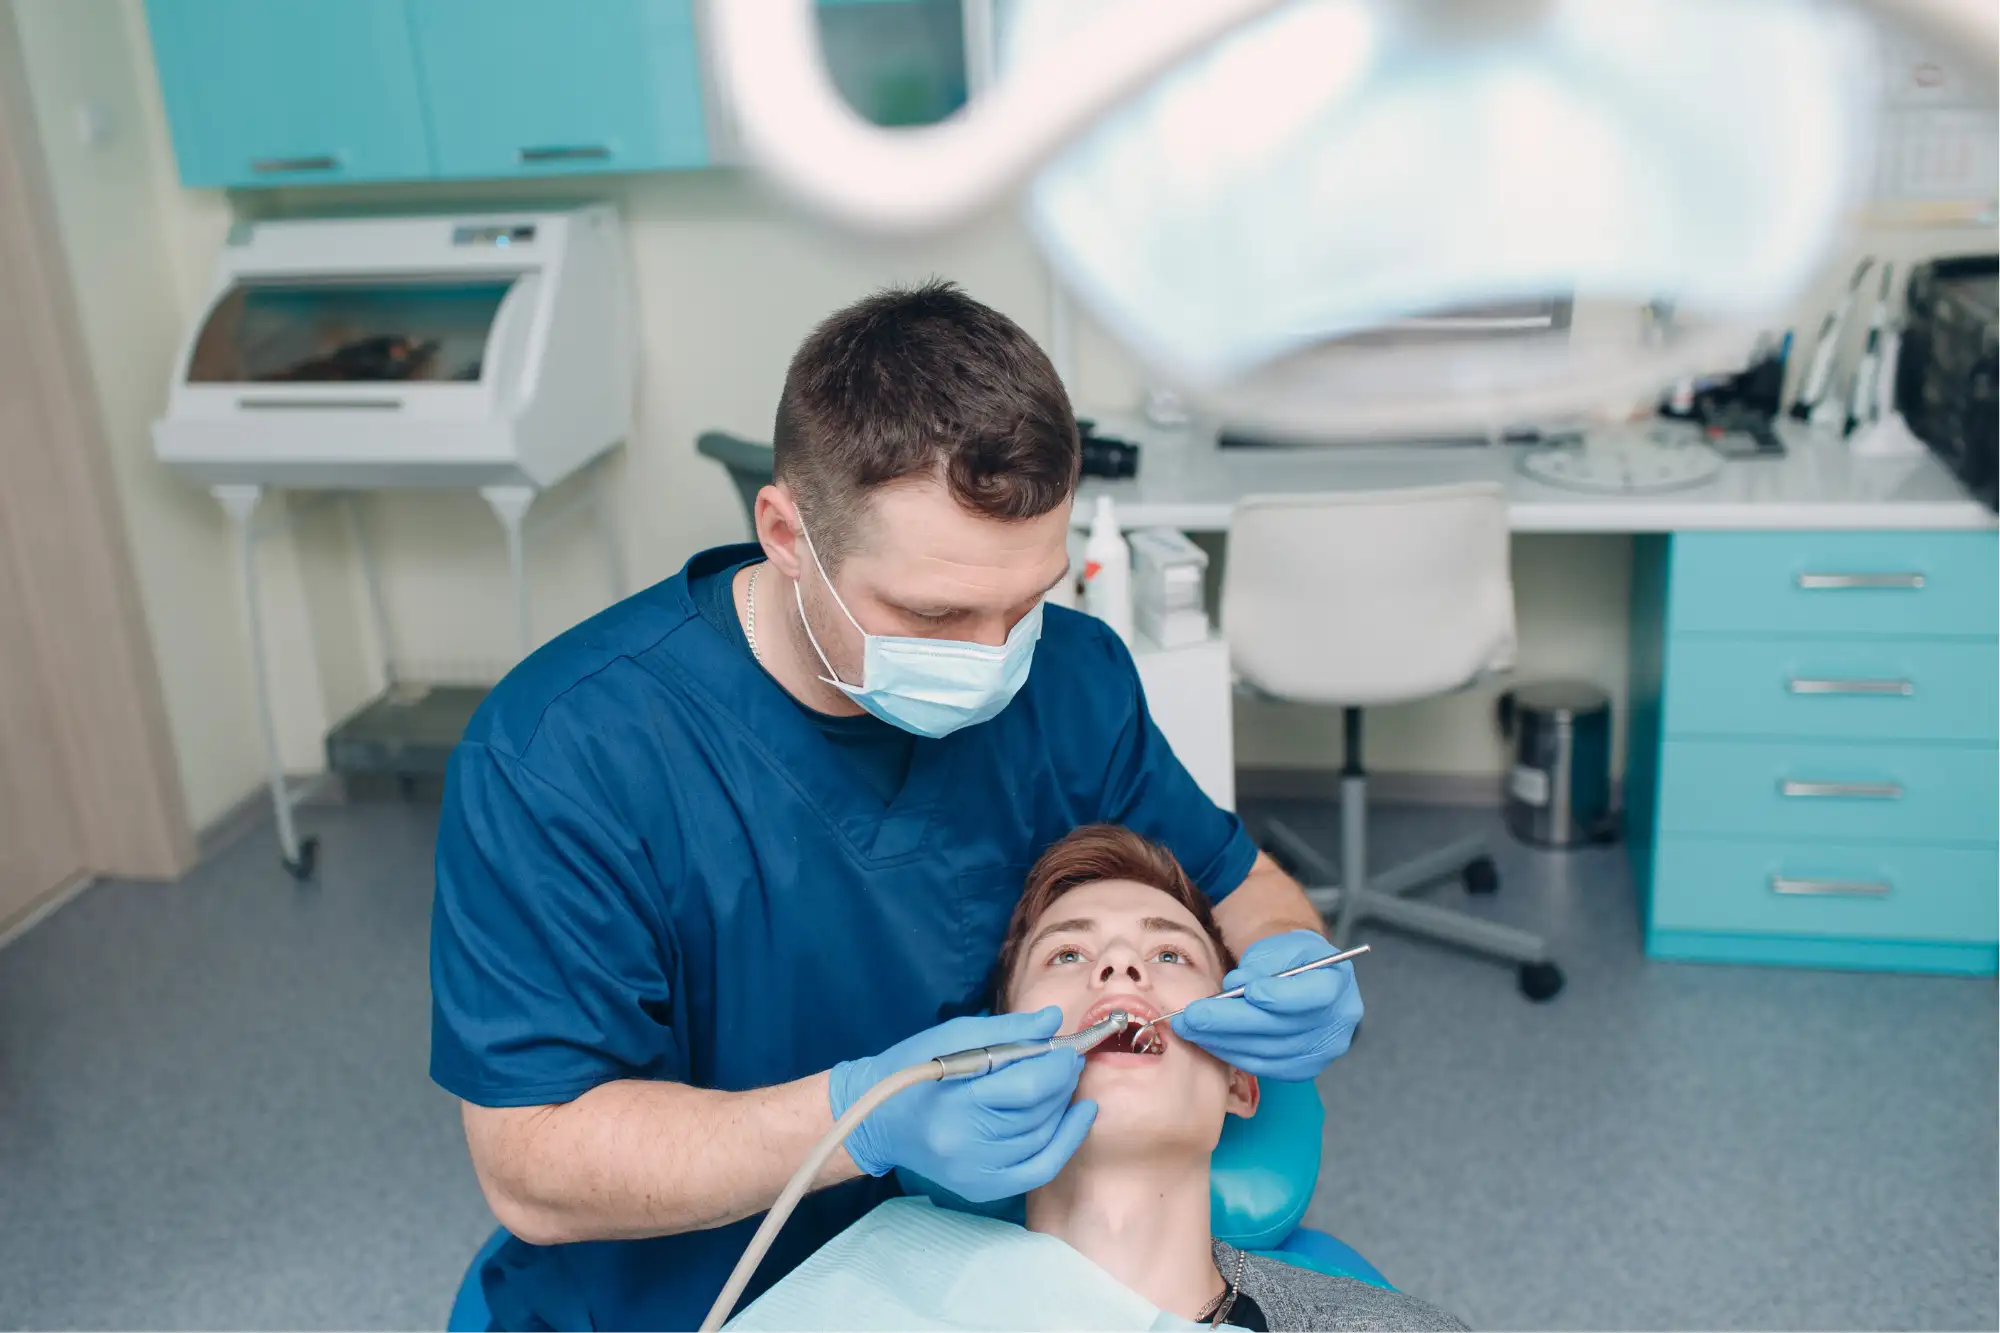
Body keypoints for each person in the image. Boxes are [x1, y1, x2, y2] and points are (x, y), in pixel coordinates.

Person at [429, 280, 1364, 1330]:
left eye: (1026, 601)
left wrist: (1294, 954)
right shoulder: (566, 755)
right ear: (787, 533)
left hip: (987, 1271)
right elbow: (532, 1163)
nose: (992, 655)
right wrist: (857, 1119)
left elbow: (1236, 886)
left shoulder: (1073, 681)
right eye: (932, 612)